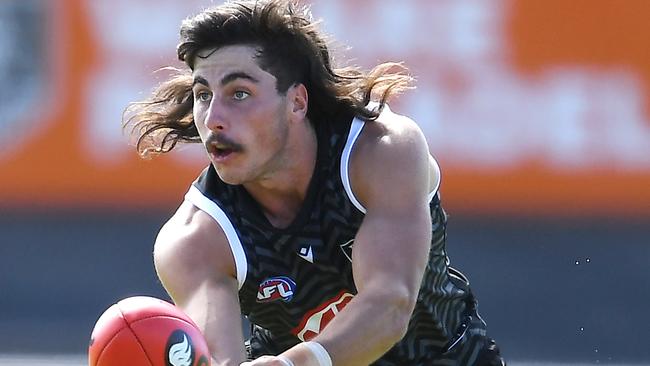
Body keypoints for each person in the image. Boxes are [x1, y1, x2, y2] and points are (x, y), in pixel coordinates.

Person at [123, 0, 505, 365]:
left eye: (239, 93)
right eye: (203, 95)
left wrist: (297, 363)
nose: (212, 119)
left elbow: (391, 304)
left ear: (297, 102)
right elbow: (222, 360)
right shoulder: (195, 239)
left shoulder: (380, 151)